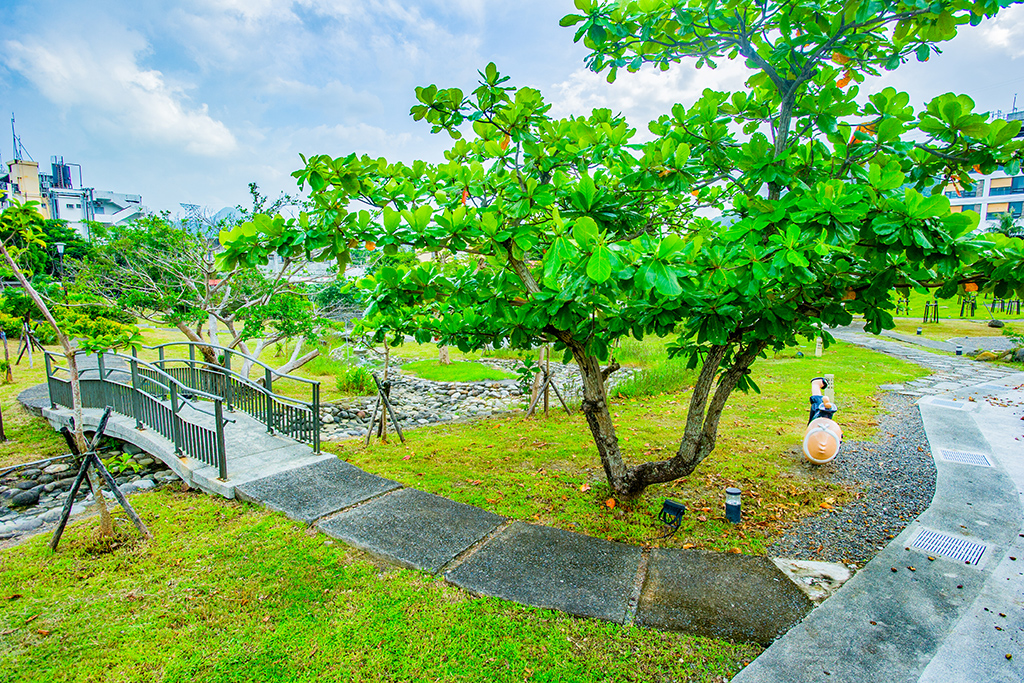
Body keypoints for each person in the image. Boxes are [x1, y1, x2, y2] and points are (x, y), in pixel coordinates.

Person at [803, 377, 842, 464]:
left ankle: (816, 384)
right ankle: (816, 384)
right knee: (817, 404)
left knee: (817, 404)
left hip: (817, 425)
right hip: (818, 424)